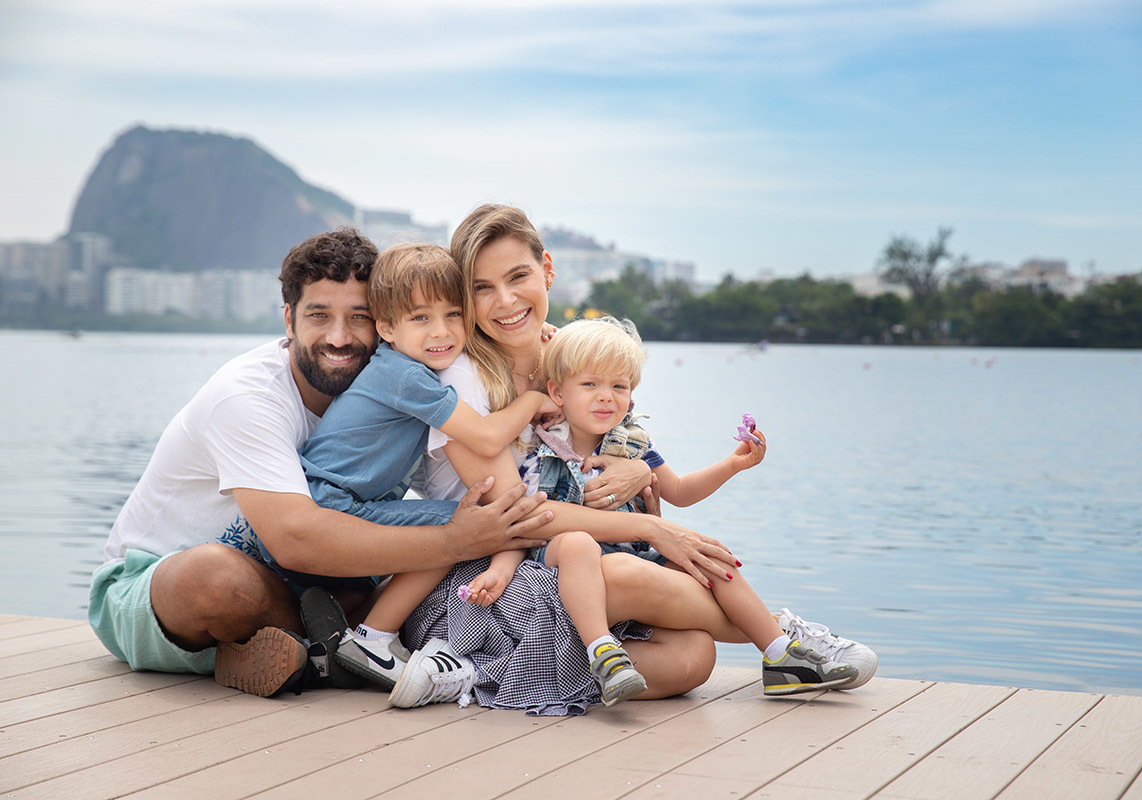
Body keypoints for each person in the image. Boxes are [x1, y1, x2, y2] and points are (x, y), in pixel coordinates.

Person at [395, 204, 876, 714]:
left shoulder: (569, 354)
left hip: (574, 555)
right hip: (487, 577)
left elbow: (625, 447)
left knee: (693, 656)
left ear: (548, 270)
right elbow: (518, 515)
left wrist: (641, 470)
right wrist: (653, 530)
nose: (506, 300)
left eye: (518, 277)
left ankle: (518, 670)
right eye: (482, 288)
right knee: (624, 571)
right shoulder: (460, 379)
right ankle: (781, 636)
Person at [88, 228, 551, 698]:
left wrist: (540, 342)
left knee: (388, 582)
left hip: (299, 582)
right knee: (215, 576)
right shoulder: (247, 398)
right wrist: (453, 539)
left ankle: (306, 655)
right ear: (289, 320)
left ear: (383, 323)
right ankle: (334, 651)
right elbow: (296, 540)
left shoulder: (400, 372)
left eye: (359, 317)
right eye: (319, 315)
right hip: (153, 587)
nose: (339, 337)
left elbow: (465, 338)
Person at [479, 315, 861, 700]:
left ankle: (780, 656)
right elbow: (525, 521)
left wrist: (731, 465)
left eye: (619, 386)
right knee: (578, 542)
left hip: (634, 552)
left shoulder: (632, 444)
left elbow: (678, 490)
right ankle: (602, 651)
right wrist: (501, 567)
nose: (606, 396)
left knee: (711, 559)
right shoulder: (539, 451)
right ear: (557, 393)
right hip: (562, 557)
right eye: (590, 385)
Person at [282, 242, 559, 689]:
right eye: (421, 319)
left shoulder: (404, 366)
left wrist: (544, 340)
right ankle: (374, 636)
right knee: (464, 527)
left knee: (453, 528)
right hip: (335, 505)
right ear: (386, 327)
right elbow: (486, 436)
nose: (441, 332)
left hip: (340, 498)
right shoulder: (408, 378)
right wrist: (531, 400)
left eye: (453, 315)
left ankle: (338, 646)